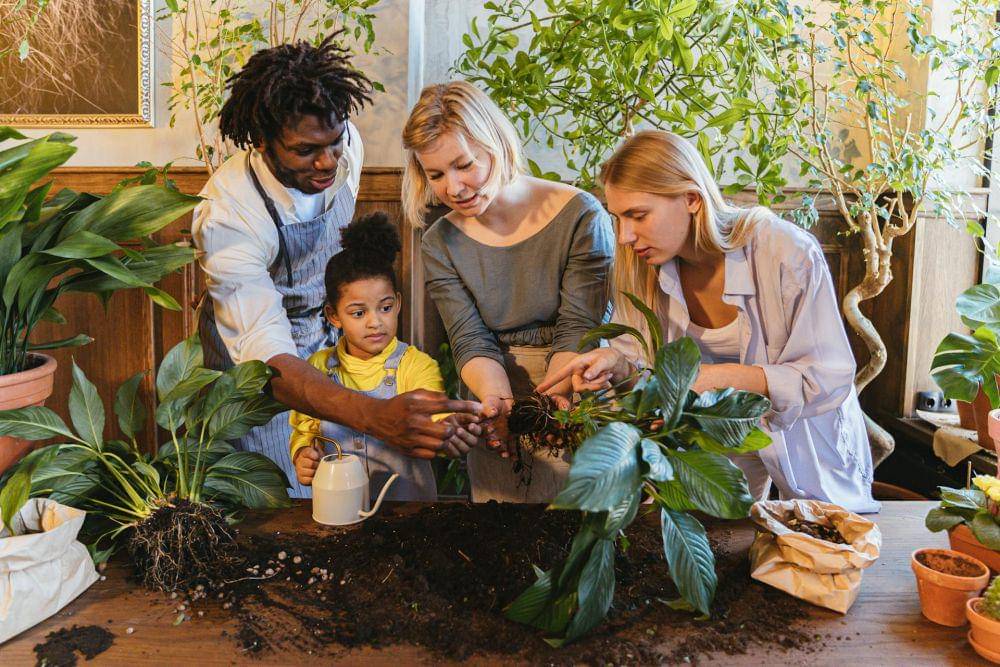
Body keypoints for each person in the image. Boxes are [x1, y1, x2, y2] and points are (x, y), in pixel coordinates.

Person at [193, 35, 480, 498]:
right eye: (305, 151)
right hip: (259, 374)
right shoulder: (229, 214)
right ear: (263, 142)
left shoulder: (346, 150)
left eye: (335, 141)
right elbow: (267, 357)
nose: (327, 162)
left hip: (330, 344)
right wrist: (373, 415)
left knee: (348, 492)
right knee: (278, 504)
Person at [539, 130, 879, 513]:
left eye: (638, 215)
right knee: (722, 537)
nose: (624, 236)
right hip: (713, 444)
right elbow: (650, 384)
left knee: (822, 539)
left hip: (808, 440)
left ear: (691, 199)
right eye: (617, 218)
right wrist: (619, 366)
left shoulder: (785, 252)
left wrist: (717, 379)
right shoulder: (639, 269)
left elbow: (827, 377)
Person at [401, 81, 615, 503]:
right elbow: (469, 338)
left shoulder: (580, 214)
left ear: (496, 143)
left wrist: (547, 406)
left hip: (574, 380)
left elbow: (579, 326)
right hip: (490, 388)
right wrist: (499, 405)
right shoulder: (439, 242)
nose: (454, 188)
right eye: (436, 174)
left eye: (464, 165)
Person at [289, 213, 479, 501]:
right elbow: (304, 430)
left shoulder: (415, 365)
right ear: (333, 315)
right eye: (358, 313)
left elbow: (436, 418)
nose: (375, 322)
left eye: (385, 308)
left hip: (409, 511)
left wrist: (448, 429)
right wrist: (303, 453)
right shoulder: (318, 367)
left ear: (398, 303)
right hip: (340, 509)